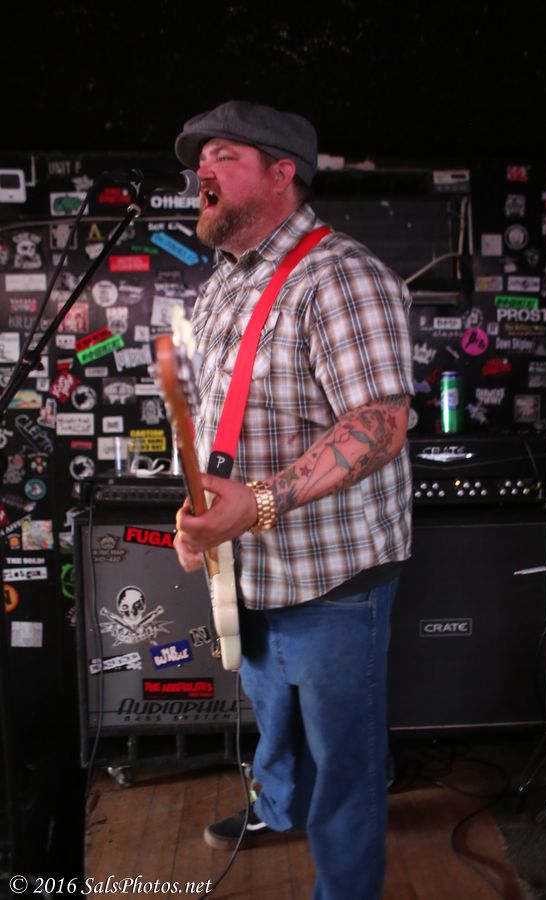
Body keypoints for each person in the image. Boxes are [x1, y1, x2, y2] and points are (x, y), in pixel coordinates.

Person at [172, 100, 414, 900]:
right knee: (274, 724)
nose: (201, 171)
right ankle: (279, 809)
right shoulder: (221, 286)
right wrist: (201, 517)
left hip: (333, 581)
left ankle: (344, 885)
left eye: (224, 156)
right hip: (249, 572)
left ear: (283, 174)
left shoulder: (341, 274)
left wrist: (258, 505)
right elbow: (217, 421)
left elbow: (379, 424)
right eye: (199, 160)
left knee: (344, 762)